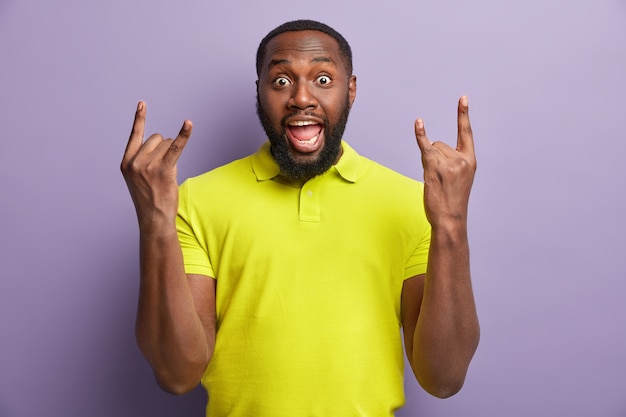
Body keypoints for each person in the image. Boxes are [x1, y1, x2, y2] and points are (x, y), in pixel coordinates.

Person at [121, 19, 479, 417]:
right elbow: (176, 374)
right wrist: (155, 221)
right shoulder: (195, 200)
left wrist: (451, 224)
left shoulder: (412, 204)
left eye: (323, 79)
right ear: (258, 91)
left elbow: (444, 378)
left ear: (351, 90)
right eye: (280, 81)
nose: (301, 98)